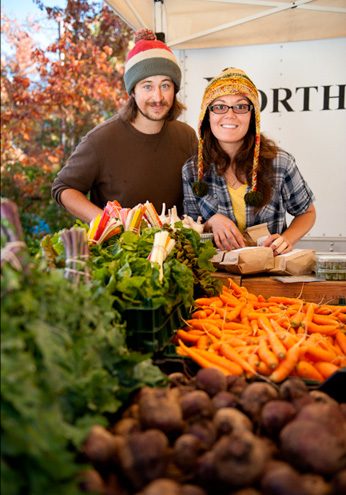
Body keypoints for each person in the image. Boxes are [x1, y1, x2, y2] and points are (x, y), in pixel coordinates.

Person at [51, 29, 198, 223]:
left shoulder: (186, 136)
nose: (158, 97)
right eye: (147, 86)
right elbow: (63, 188)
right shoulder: (101, 140)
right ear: (132, 91)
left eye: (165, 85)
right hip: (123, 250)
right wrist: (107, 223)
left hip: (176, 248)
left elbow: (202, 191)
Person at [182, 67, 316, 255]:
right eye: (219, 106)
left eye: (240, 106)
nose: (230, 115)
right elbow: (188, 226)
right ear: (207, 115)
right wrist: (212, 221)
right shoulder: (192, 170)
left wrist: (286, 239)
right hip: (216, 275)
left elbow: (307, 213)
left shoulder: (280, 163)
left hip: (269, 274)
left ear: (253, 116)